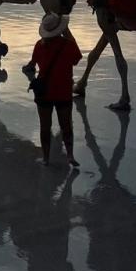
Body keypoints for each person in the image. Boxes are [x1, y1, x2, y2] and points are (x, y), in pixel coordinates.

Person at [23, 12, 82, 167]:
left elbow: (32, 64)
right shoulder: (68, 45)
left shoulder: (39, 45)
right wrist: (68, 33)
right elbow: (77, 58)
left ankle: (46, 158)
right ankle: (70, 155)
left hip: (44, 93)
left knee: (45, 127)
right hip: (63, 92)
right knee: (66, 126)